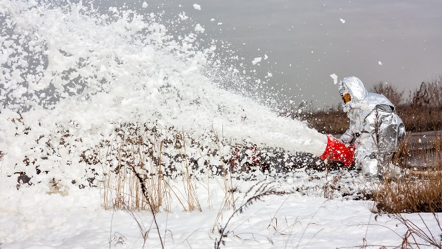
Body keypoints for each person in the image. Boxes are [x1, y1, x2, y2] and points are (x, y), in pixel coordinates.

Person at [337, 76, 406, 180]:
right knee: (378, 159)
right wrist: (340, 143)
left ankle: (373, 184)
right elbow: (352, 131)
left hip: (387, 126)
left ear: (354, 92)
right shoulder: (357, 110)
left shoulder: (367, 105)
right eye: (344, 98)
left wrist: (360, 147)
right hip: (391, 127)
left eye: (348, 97)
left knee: (370, 156)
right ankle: (394, 175)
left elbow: (368, 131)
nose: (346, 101)